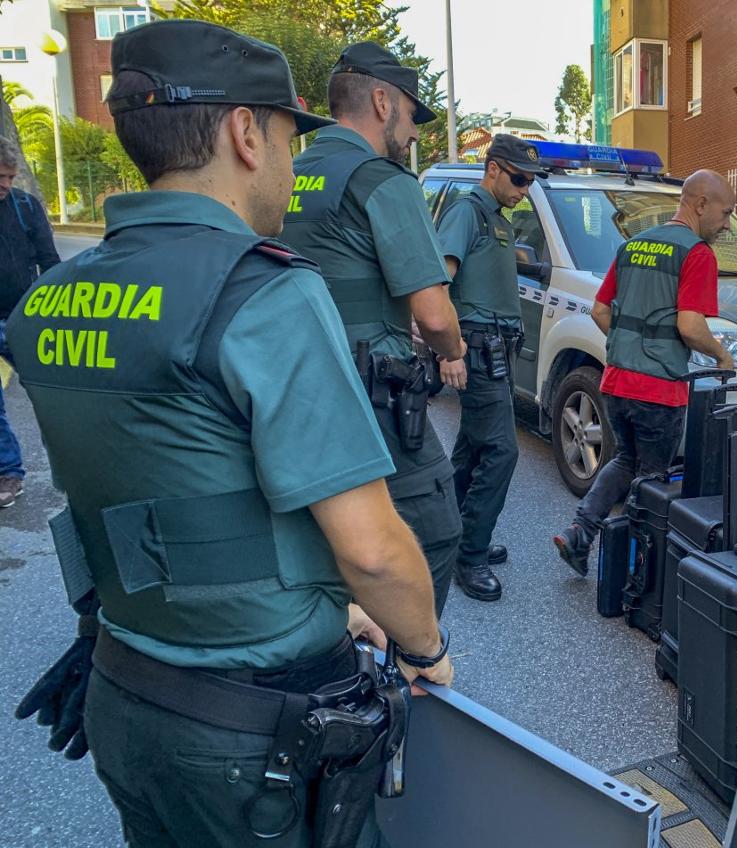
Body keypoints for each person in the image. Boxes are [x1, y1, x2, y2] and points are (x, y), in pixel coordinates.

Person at [7, 20, 452, 847]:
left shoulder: (52, 298)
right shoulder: (265, 294)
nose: (293, 163)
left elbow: (166, 491)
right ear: (247, 132)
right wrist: (425, 646)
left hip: (126, 691)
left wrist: (334, 608)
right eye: (289, 136)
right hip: (256, 734)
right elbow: (372, 549)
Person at [281, 41, 465, 615]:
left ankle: (345, 628)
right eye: (412, 116)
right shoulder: (382, 180)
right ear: (383, 102)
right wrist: (453, 349)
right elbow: (433, 314)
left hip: (295, 382)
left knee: (328, 530)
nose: (413, 135)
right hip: (372, 390)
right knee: (434, 526)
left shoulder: (290, 172)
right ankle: (410, 659)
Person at [554, 170, 734, 574]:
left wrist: (632, 346)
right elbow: (690, 326)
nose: (726, 225)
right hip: (658, 391)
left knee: (624, 461)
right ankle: (638, 574)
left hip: (616, 382)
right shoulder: (697, 254)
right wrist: (721, 356)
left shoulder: (632, 246)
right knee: (652, 482)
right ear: (700, 204)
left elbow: (601, 312)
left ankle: (579, 533)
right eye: (725, 214)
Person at [435, 134, 547, 601]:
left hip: (496, 351)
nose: (524, 189)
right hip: (477, 351)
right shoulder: (468, 212)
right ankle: (471, 557)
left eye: (530, 182)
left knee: (472, 450)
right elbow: (439, 281)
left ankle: (456, 535)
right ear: (495, 168)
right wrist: (450, 352)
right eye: (519, 178)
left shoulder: (496, 220)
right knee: (502, 452)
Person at [0, 135, 59, 508]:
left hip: (24, 318)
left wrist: (49, 314)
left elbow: (50, 263)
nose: (4, 184)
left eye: (9, 176)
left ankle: (81, 464)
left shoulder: (25, 206)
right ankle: (9, 473)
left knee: (53, 394)